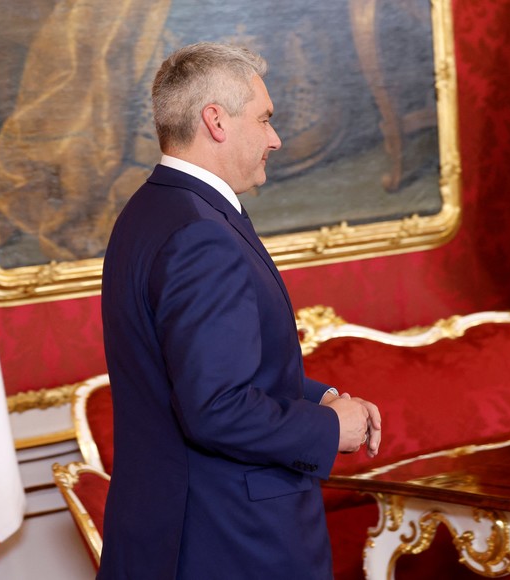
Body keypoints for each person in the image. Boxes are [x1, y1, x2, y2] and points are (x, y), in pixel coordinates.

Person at [99, 42, 382, 579]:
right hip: (226, 541)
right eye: (265, 119)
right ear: (216, 121)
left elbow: (193, 370)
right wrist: (327, 429)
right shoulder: (202, 233)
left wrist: (318, 395)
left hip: (167, 530)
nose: (275, 138)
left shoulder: (150, 210)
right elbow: (215, 407)